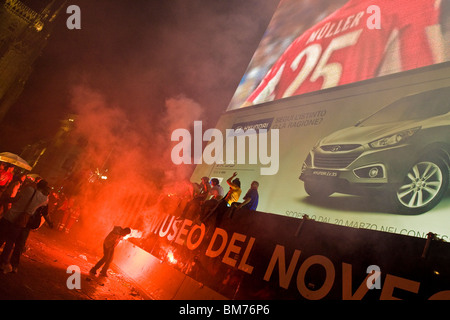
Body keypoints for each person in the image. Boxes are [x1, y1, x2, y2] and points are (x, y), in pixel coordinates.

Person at [0, 180, 49, 272]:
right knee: (10, 242)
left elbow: (15, 199)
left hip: (9, 217)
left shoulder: (28, 189)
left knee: (1, 237)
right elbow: (44, 210)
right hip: (20, 223)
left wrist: (6, 199)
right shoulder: (44, 199)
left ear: (37, 184)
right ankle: (2, 263)